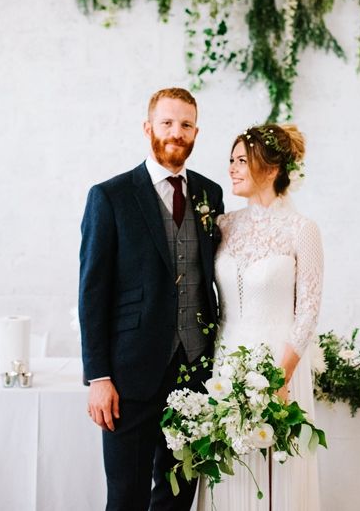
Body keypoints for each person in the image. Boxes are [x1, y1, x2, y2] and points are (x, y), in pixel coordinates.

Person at [79, 87, 224, 511]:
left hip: (196, 373)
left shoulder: (209, 194)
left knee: (178, 498)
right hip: (129, 377)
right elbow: (92, 290)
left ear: (196, 131)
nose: (176, 132)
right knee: (126, 497)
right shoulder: (110, 197)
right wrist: (99, 376)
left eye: (186, 124)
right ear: (148, 128)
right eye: (167, 122)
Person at [197, 124, 324, 510]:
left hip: (280, 364)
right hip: (226, 364)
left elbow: (309, 311)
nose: (232, 169)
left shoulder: (303, 230)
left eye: (241, 161)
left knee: (278, 475)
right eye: (231, 161)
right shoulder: (223, 225)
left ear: (270, 170)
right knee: (229, 471)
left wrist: (279, 380)